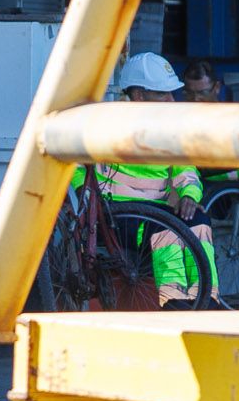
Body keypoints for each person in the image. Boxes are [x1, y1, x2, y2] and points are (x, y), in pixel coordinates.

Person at [76, 51, 213, 310]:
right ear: (139, 96)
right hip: (116, 215)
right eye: (163, 94)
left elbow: (187, 171)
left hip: (156, 212)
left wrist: (189, 197)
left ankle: (208, 303)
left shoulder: (170, 127)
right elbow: (75, 164)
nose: (172, 101)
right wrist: (83, 190)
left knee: (200, 224)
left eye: (173, 94)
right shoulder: (106, 123)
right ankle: (176, 307)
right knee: (166, 231)